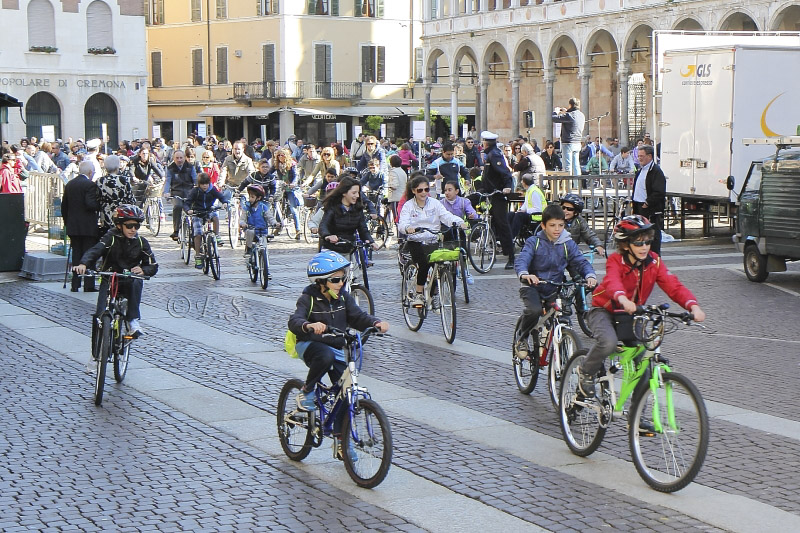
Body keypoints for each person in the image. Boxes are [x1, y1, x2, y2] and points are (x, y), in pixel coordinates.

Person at [575, 215, 706, 397]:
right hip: (604, 310)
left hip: (632, 314)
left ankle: (638, 412)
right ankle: (586, 371)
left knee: (643, 357)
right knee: (608, 343)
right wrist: (623, 299)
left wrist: (693, 306)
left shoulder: (654, 262)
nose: (644, 247)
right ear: (625, 244)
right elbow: (613, 281)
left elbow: (673, 286)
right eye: (638, 243)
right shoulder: (616, 260)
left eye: (647, 242)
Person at [288, 250, 389, 455]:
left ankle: (341, 441)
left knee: (346, 392)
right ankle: (306, 391)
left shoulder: (343, 297)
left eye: (343, 278)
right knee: (325, 356)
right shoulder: (308, 298)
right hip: (310, 344)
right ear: (321, 281)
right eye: (335, 279)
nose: (341, 283)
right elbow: (295, 320)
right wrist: (309, 325)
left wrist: (375, 323)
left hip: (335, 345)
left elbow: (357, 317)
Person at [73, 205, 158, 369]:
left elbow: (153, 265)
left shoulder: (141, 242)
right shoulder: (110, 238)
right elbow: (95, 251)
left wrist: (144, 270)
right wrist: (83, 264)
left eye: (136, 226)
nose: (133, 230)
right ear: (119, 225)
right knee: (99, 316)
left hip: (129, 281)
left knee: (137, 281)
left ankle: (133, 321)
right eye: (129, 226)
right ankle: (95, 354)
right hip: (110, 278)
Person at [513, 204, 597, 359]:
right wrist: (525, 274)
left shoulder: (568, 244)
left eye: (561, 225)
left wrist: (590, 275)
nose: (557, 229)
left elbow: (580, 262)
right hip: (532, 286)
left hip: (554, 288)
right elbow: (522, 260)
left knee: (562, 315)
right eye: (552, 225)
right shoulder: (534, 242)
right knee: (534, 311)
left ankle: (560, 351)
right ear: (543, 225)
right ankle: (522, 338)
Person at [397, 174, 469, 307]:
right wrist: (407, 228)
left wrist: (460, 222)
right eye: (420, 190)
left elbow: (446, 216)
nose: (423, 193)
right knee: (424, 264)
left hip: (432, 239)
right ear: (413, 191)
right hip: (416, 241)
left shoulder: (435, 203)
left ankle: (434, 293)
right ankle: (419, 294)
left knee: (438, 266)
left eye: (426, 189)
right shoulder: (408, 206)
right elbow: (402, 223)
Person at [475, 131, 516, 269]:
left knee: (503, 224)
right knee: (494, 222)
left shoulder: (494, 154)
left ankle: (511, 256)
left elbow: (505, 173)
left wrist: (507, 187)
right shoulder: (489, 154)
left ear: (485, 143)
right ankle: (499, 247)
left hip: (498, 195)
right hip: (490, 194)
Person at [61, 161, 101, 292]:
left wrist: (67, 223)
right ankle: (88, 285)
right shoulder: (90, 185)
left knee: (76, 255)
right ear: (90, 172)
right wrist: (99, 205)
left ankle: (75, 284)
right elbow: (90, 204)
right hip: (88, 227)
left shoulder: (70, 184)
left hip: (73, 226)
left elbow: (64, 206)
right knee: (89, 255)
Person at [319, 176, 377, 254]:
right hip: (332, 250)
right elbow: (323, 225)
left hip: (349, 249)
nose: (357, 196)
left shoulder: (358, 209)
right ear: (344, 193)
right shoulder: (332, 207)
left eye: (358, 193)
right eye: (354, 193)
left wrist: (371, 242)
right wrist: (328, 236)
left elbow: (363, 229)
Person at [184, 173, 226, 269]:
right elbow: (187, 203)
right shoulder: (195, 191)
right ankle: (198, 255)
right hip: (197, 212)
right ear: (199, 184)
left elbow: (221, 196)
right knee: (198, 233)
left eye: (206, 184)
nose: (204, 186)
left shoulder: (212, 189)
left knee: (215, 216)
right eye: (202, 184)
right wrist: (188, 210)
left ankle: (216, 235)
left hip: (208, 210)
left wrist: (224, 202)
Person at [633, 145, 666, 255]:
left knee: (653, 234)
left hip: (650, 208)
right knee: (642, 233)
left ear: (649, 156)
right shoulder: (641, 170)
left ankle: (655, 257)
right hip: (639, 206)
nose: (639, 158)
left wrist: (648, 203)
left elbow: (659, 191)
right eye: (638, 156)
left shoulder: (656, 171)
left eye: (642, 156)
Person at [96, 155, 137, 234]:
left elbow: (97, 199)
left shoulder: (100, 181)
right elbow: (131, 200)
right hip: (122, 215)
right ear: (117, 166)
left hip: (106, 216)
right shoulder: (124, 180)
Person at [164, 150, 197, 240]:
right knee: (177, 207)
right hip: (176, 192)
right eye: (177, 158)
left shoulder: (190, 167)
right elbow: (168, 181)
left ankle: (195, 230)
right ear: (173, 159)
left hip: (189, 192)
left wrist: (198, 187)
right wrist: (166, 192)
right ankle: (176, 231)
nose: (179, 160)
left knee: (194, 209)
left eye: (181, 158)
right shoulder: (170, 168)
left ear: (184, 158)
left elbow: (195, 179)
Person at [270, 147, 301, 240]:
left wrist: (293, 183)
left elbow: (295, 175)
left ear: (286, 156)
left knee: (293, 209)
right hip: (281, 187)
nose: (280, 157)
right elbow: (269, 173)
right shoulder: (277, 164)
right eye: (278, 155)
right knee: (277, 206)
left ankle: (298, 230)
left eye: (282, 155)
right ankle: (278, 226)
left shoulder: (292, 164)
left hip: (290, 188)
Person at [239, 184, 278, 259]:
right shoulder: (247, 208)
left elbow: (270, 217)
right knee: (250, 232)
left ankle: (264, 260)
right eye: (249, 197)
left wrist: (275, 223)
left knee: (264, 248)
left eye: (252, 197)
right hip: (251, 230)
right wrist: (242, 223)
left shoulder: (263, 207)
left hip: (262, 231)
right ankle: (248, 249)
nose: (250, 199)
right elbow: (242, 219)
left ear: (259, 198)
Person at [552, 97, 585, 176]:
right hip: (577, 142)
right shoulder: (581, 115)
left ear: (570, 105)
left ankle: (568, 183)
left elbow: (554, 118)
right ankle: (577, 183)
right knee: (576, 166)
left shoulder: (569, 115)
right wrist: (566, 111)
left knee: (567, 167)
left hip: (568, 143)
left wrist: (555, 112)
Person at [509, 174, 545, 242]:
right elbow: (526, 204)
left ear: (524, 183)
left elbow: (538, 208)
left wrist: (525, 211)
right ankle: (505, 236)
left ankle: (511, 237)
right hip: (531, 215)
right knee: (511, 214)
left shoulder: (534, 192)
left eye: (522, 181)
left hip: (537, 216)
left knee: (519, 216)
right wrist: (521, 210)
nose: (521, 182)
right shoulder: (529, 190)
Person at [386, 155, 407, 224]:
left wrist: (388, 185)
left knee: (397, 218)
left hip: (395, 197)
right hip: (403, 197)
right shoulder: (402, 171)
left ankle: (398, 230)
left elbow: (394, 186)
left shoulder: (393, 172)